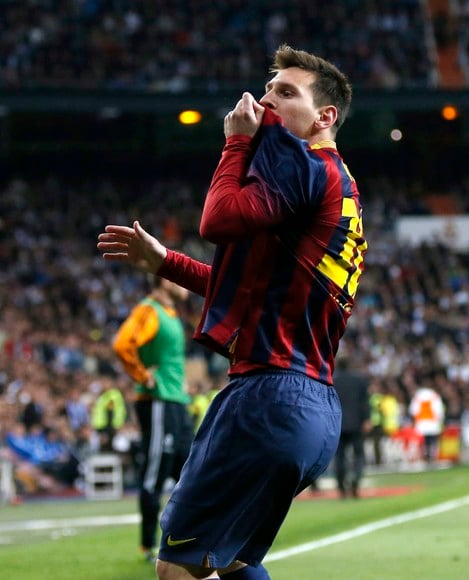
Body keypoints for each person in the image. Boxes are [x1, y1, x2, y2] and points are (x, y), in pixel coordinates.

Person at [98, 44, 366, 580]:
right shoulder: (342, 186)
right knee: (238, 562)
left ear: (324, 117)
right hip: (312, 409)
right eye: (268, 88)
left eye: (286, 93)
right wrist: (164, 262)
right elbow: (248, 289)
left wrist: (237, 144)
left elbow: (217, 221)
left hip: (267, 398)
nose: (265, 101)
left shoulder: (305, 167)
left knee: (177, 569)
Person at [112, 276, 193, 564]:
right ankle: (147, 546)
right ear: (163, 280)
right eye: (178, 278)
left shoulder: (171, 314)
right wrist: (143, 376)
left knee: (190, 469)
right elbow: (122, 344)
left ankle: (191, 537)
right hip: (158, 401)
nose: (185, 283)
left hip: (176, 403)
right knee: (154, 472)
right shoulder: (149, 310)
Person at [331, 353, 370, 498]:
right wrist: (367, 420)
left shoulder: (333, 381)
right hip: (356, 424)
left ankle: (341, 488)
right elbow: (364, 402)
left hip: (338, 425)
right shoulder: (359, 381)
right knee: (359, 454)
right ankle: (356, 480)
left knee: (339, 457)